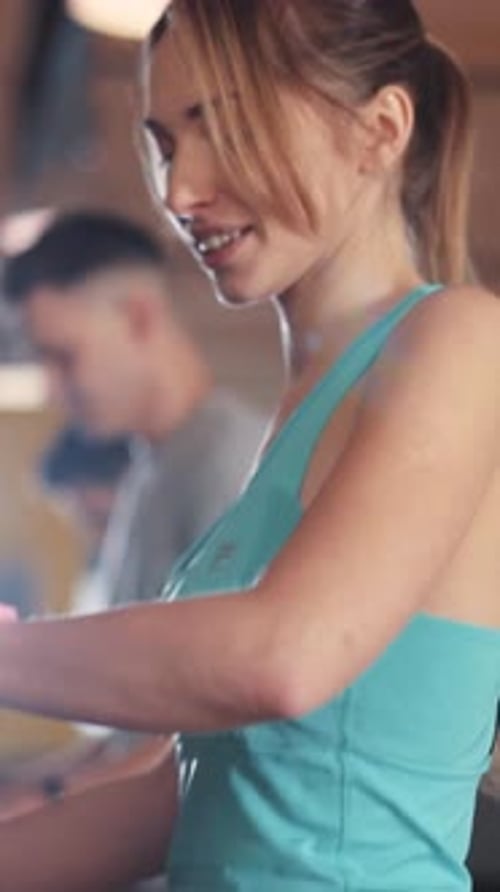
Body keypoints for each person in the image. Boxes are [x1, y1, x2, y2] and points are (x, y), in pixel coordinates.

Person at [0, 2, 499, 891]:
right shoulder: (303, 405)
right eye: (163, 143)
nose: (179, 190)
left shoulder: (460, 339)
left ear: (378, 131)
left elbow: (287, 655)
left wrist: (13, 655)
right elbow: (191, 799)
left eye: (222, 129)